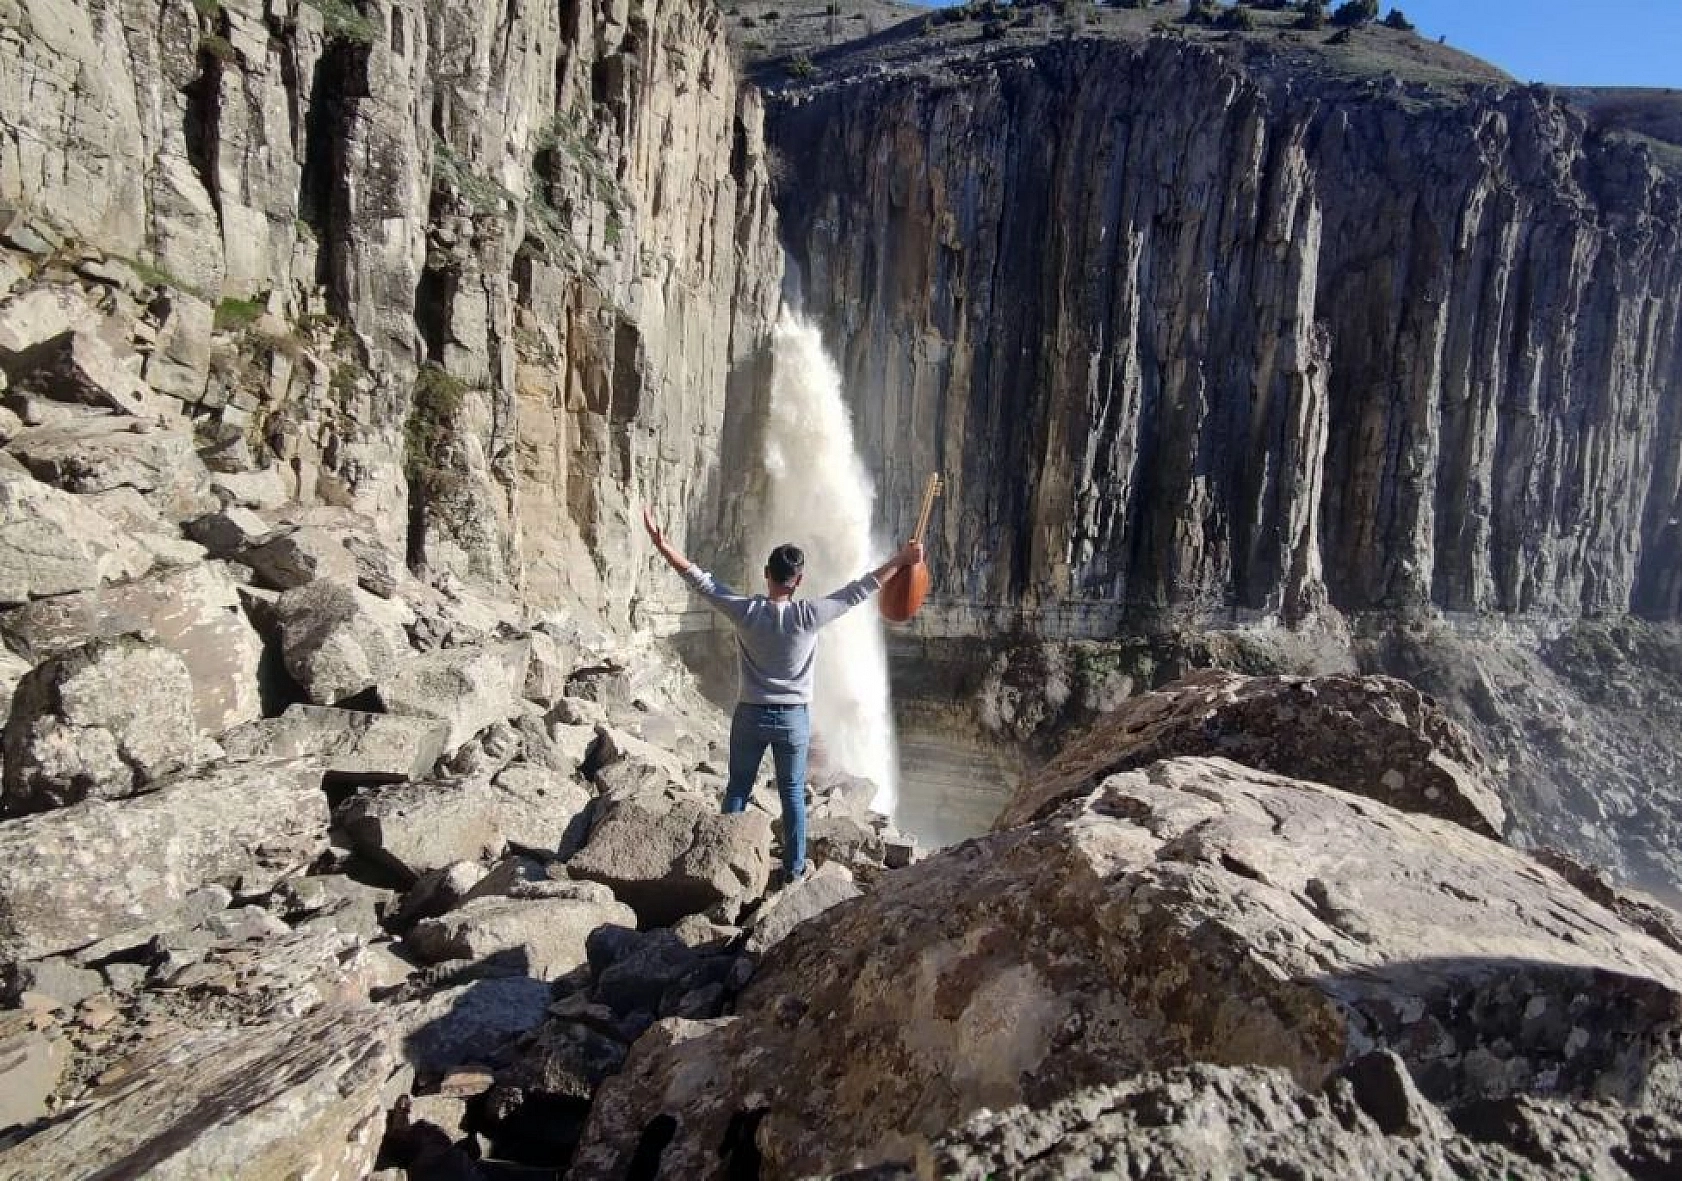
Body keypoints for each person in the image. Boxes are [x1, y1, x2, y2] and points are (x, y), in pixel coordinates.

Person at [642, 507, 923, 886]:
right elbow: (863, 588)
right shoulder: (810, 615)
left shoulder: (746, 612)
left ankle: (720, 862)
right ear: (799, 580)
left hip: (750, 717)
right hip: (793, 720)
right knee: (792, 796)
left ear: (766, 574)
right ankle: (792, 870)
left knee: (738, 789)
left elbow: (700, 580)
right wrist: (903, 560)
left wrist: (663, 545)